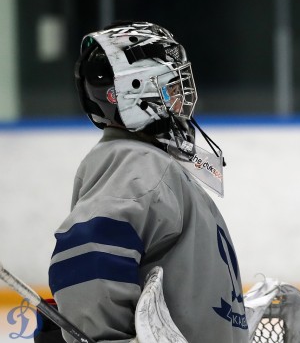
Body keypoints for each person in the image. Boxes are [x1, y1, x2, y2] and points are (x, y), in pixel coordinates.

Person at [45, 22, 248, 342]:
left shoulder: (152, 162)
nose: (183, 98)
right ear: (135, 91)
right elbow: (89, 257)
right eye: (172, 87)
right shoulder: (137, 164)